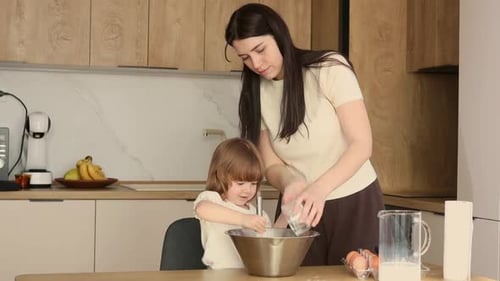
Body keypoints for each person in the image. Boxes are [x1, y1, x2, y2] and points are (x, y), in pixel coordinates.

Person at [224, 3, 385, 266]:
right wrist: (291, 182)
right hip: (298, 209)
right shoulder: (257, 92)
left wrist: (319, 188)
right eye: (245, 58)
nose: (256, 64)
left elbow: (361, 144)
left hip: (354, 202)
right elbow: (271, 165)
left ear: (278, 35)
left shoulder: (329, 68)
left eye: (260, 50)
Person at [194, 137, 287, 269]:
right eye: (240, 183)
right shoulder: (212, 199)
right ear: (221, 176)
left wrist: (286, 214)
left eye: (253, 184)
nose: (247, 190)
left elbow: (270, 244)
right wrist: (243, 219)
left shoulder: (257, 214)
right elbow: (202, 209)